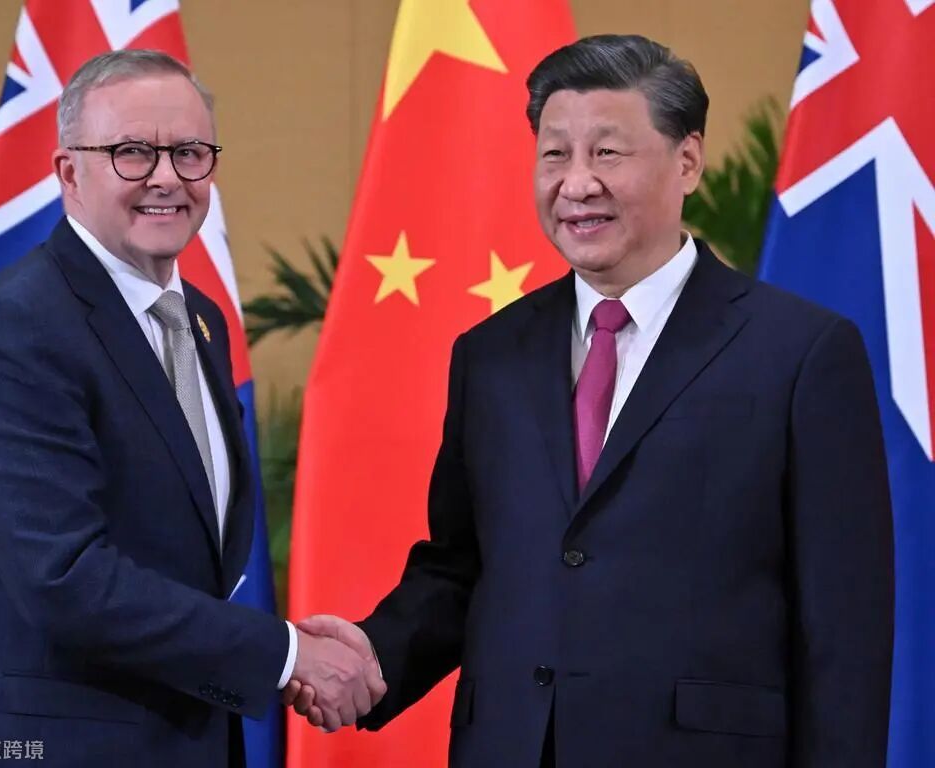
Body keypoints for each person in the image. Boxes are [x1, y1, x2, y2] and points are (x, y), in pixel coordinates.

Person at [290, 34, 894, 767]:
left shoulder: (800, 352)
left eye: (607, 153)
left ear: (688, 160)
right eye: (555, 154)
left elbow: (844, 625)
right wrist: (376, 655)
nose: (576, 183)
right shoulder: (491, 355)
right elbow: (465, 566)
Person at [0, 50, 382, 767]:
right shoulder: (20, 323)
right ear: (69, 173)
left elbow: (185, 557)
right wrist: (286, 654)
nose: (167, 177)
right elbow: (65, 578)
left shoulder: (202, 321)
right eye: (132, 152)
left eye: (189, 152)